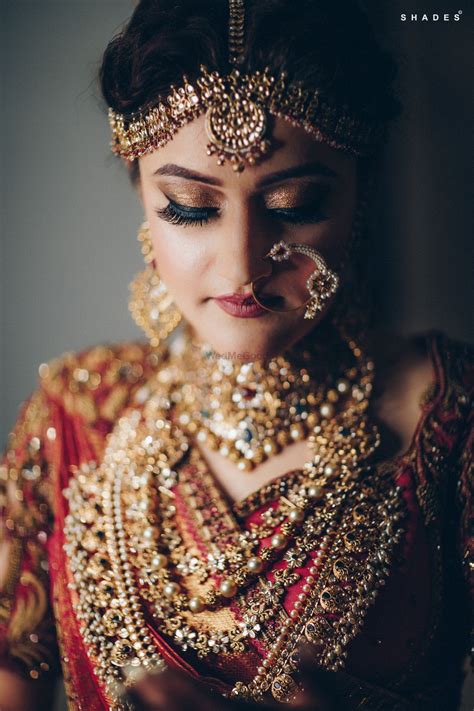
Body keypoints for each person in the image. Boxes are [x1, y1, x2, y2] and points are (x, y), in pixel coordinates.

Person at [0, 1, 472, 709]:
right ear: (141, 195)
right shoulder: (75, 415)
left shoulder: (448, 414)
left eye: (295, 202)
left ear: (360, 196)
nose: (242, 265)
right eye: (190, 207)